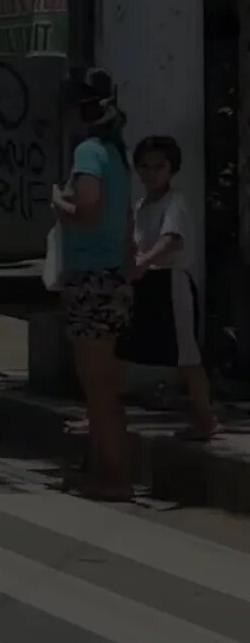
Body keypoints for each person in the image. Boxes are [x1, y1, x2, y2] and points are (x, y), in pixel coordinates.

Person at [50, 67, 135, 501]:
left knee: (97, 388)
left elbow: (87, 209)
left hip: (91, 278)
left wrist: (58, 202)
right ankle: (104, 470)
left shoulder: (88, 153)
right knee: (104, 385)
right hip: (114, 279)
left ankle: (114, 476)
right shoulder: (117, 155)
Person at [116, 136, 219, 440]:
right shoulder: (141, 205)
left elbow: (171, 239)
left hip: (170, 282)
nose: (151, 173)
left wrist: (143, 261)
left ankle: (206, 417)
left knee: (186, 355)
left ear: (171, 168)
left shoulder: (175, 202)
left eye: (158, 166)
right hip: (145, 283)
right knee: (121, 349)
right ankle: (104, 412)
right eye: (145, 166)